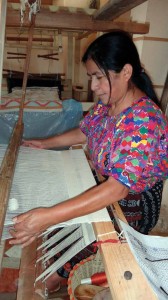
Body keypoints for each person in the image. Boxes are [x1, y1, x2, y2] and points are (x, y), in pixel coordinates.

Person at [10, 30, 168, 292]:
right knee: (65, 203)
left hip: (135, 200)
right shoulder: (110, 103)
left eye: (98, 77)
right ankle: (57, 255)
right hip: (110, 182)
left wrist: (48, 217)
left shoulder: (143, 120)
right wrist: (44, 144)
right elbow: (85, 130)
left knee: (82, 224)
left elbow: (118, 189)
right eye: (91, 77)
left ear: (126, 72)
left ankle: (59, 273)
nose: (93, 86)